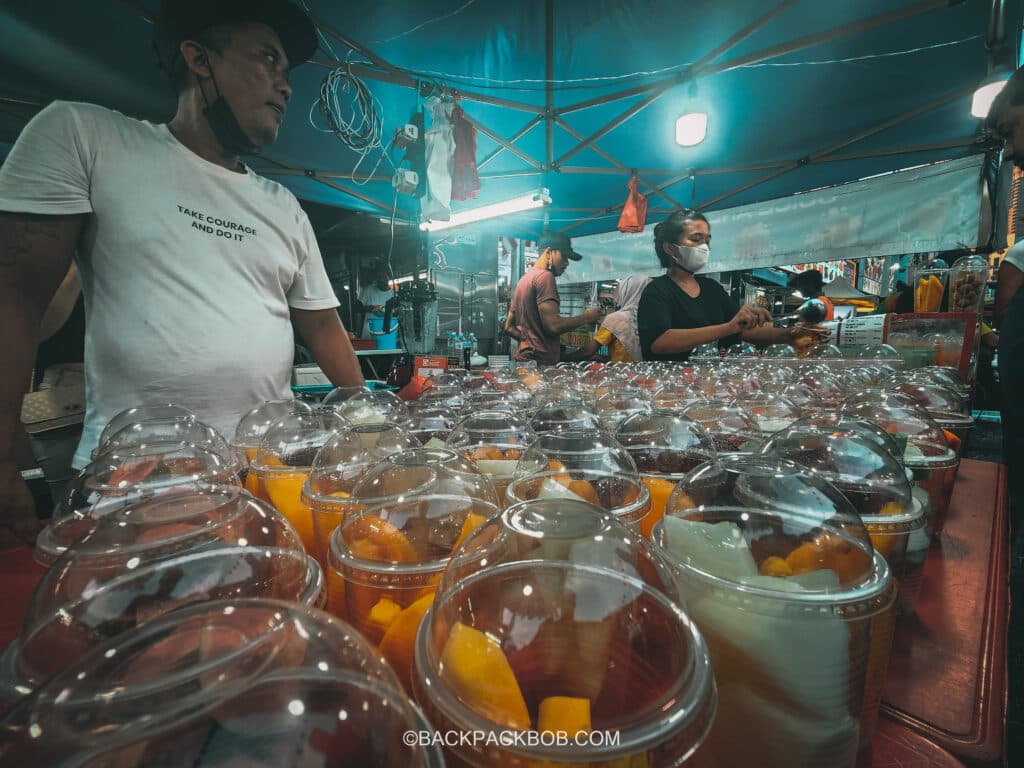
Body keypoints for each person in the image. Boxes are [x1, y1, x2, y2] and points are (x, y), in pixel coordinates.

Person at [0, 0, 365, 540]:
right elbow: (16, 296)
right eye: (267, 59)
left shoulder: (283, 204)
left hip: (265, 481)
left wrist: (371, 429)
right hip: (133, 485)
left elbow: (324, 327)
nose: (285, 86)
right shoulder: (86, 136)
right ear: (200, 59)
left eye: (287, 73)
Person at [638, 210, 814, 361]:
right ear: (670, 248)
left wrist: (789, 334)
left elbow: (744, 330)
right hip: (666, 388)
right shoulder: (656, 291)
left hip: (707, 383)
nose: (704, 247)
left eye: (707, 241)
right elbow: (659, 343)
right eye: (696, 239)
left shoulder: (712, 289)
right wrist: (728, 327)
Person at [508, 231, 603, 364]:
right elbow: (553, 326)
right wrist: (587, 317)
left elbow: (508, 327)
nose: (567, 263)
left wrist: (529, 342)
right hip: (538, 366)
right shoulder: (545, 277)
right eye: (564, 256)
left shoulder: (524, 280)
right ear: (548, 253)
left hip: (526, 361)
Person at [579, 275, 651, 362]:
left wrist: (563, 358)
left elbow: (587, 352)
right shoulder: (653, 318)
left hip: (621, 373)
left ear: (626, 292)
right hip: (648, 372)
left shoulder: (616, 319)